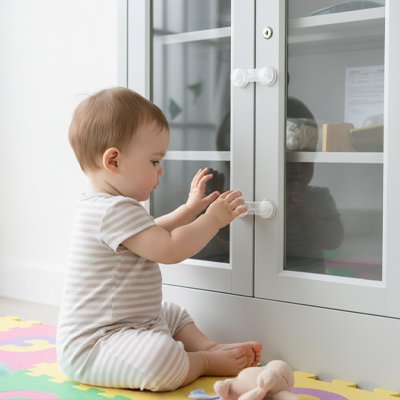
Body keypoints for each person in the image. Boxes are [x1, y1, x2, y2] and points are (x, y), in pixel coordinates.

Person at [57, 87, 262, 392]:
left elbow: (151, 231)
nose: (161, 171)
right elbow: (169, 248)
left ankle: (209, 346)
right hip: (94, 347)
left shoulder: (105, 206)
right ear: (113, 161)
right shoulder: (112, 210)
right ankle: (204, 360)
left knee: (171, 312)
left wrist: (189, 210)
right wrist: (212, 219)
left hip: (132, 324)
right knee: (160, 360)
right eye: (154, 161)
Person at [285, 97, 344, 274]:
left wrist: (305, 214)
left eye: (305, 162)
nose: (296, 169)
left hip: (311, 275)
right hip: (269, 273)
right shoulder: (265, 195)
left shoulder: (319, 197)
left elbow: (333, 240)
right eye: (289, 161)